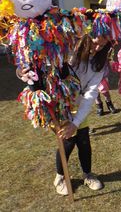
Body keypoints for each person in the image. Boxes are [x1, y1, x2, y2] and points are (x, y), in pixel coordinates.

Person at [17, 34, 111, 195]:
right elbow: (38, 63)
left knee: (83, 140)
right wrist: (21, 72)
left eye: (102, 47)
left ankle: (88, 174)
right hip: (57, 105)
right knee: (67, 141)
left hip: (79, 105)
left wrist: (76, 122)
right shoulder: (67, 52)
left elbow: (90, 94)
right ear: (86, 38)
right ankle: (60, 177)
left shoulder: (99, 65)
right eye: (95, 43)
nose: (97, 49)